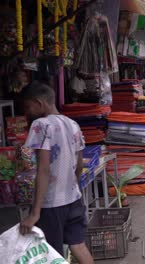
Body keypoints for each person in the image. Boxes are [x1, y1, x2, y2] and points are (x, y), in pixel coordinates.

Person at [19, 81, 93, 263]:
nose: (27, 112)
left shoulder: (41, 125)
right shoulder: (72, 123)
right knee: (78, 245)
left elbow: (43, 169)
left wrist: (35, 213)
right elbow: (78, 164)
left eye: (28, 107)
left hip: (52, 204)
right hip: (73, 198)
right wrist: (73, 187)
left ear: (39, 103)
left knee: (52, 253)